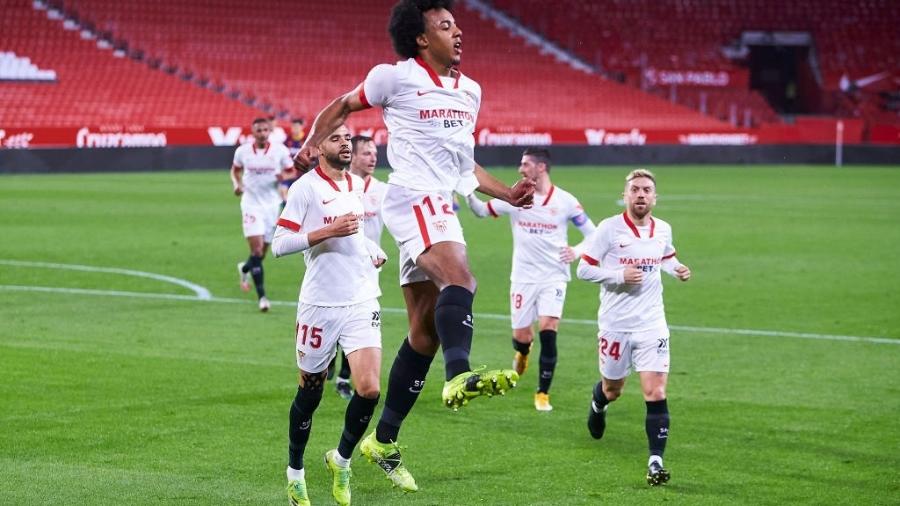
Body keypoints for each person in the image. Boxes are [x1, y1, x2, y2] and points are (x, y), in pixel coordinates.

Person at [293, 0, 535, 492]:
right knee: (462, 279)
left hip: (440, 201)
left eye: (457, 24)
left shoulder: (470, 90)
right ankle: (460, 374)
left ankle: (382, 440)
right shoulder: (394, 77)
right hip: (412, 198)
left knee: (424, 332)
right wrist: (311, 141)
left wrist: (508, 193)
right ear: (422, 39)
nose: (458, 32)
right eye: (446, 25)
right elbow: (342, 105)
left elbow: (464, 167)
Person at [272, 124, 388, 506]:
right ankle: (295, 472)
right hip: (320, 305)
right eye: (336, 138)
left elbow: (353, 233)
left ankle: (341, 461)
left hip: (361, 299)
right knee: (310, 392)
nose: (345, 144)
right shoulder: (305, 188)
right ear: (318, 146)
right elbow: (279, 244)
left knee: (369, 389)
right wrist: (327, 231)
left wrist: (370, 247)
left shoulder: (354, 184)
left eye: (347, 138)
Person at [575, 169, 691, 486]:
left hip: (652, 324)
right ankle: (598, 403)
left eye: (647, 190)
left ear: (655, 197)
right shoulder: (609, 230)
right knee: (614, 389)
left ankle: (655, 461)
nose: (641, 195)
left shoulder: (663, 229)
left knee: (656, 391)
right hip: (615, 325)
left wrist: (676, 268)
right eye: (635, 189)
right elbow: (583, 269)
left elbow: (665, 257)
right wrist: (618, 276)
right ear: (625, 195)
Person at [465, 148, 595, 412]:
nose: (520, 169)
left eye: (525, 164)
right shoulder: (516, 197)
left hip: (554, 276)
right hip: (523, 277)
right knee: (522, 337)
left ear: (541, 167)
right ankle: (522, 353)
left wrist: (577, 251)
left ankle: (542, 394)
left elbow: (594, 233)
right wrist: (466, 187)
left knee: (548, 331)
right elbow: (480, 211)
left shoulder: (566, 201)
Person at [332, 134, 388, 401]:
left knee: (358, 323)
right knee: (338, 319)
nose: (373, 157)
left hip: (368, 271)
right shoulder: (338, 188)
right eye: (366, 153)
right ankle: (331, 356)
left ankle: (345, 376)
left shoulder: (382, 191)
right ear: (351, 156)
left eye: (374, 152)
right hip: (337, 266)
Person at [230, 117, 292, 311]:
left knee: (262, 254)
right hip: (251, 204)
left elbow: (291, 171)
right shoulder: (243, 151)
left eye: (266, 130)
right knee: (256, 251)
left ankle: (245, 268)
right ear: (253, 131)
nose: (263, 133)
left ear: (269, 131)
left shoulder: (280, 150)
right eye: (259, 130)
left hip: (272, 205)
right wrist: (237, 185)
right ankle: (262, 298)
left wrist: (283, 177)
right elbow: (235, 171)